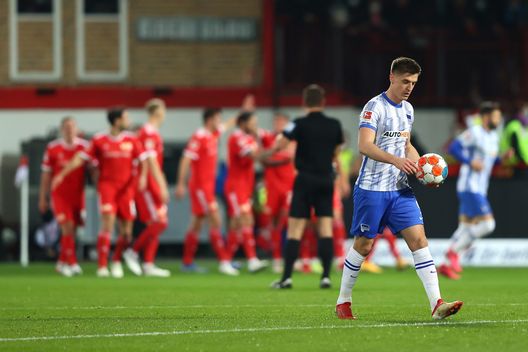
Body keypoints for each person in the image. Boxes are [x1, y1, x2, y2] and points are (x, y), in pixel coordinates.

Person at [335, 57, 463, 320]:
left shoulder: (408, 110)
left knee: (419, 240)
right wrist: (397, 161)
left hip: (400, 189)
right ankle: (343, 301)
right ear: (391, 77)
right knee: (364, 244)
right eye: (405, 81)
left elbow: (406, 147)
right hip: (371, 189)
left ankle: (437, 304)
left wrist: (420, 167)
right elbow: (365, 146)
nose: (409, 87)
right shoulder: (374, 108)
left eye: (414, 83)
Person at [52, 108, 167, 278]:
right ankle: (102, 265)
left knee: (127, 231)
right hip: (108, 188)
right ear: (117, 120)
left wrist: (142, 178)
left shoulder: (132, 139)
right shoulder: (99, 140)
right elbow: (80, 158)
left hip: (126, 190)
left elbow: (144, 160)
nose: (128, 120)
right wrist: (62, 174)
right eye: (125, 117)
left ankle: (117, 261)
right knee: (108, 223)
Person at [271, 84, 344, 289]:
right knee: (325, 229)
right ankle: (326, 277)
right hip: (325, 180)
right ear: (323, 102)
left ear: (304, 102)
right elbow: (336, 152)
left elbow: (280, 144)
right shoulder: (334, 124)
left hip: (304, 180)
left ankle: (286, 278)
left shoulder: (297, 124)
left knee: (295, 230)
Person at [439, 102, 503, 280]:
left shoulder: (493, 137)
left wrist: (501, 159)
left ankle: (445, 263)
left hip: (481, 188)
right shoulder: (475, 132)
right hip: (470, 186)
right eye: (496, 116)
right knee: (488, 225)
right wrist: (469, 162)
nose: (498, 120)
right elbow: (454, 148)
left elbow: (490, 161)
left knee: (465, 227)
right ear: (485, 117)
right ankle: (454, 252)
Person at [175, 108, 239, 276]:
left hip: (207, 187)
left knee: (196, 223)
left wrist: (243, 112)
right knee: (216, 220)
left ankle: (187, 262)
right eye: (217, 118)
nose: (220, 122)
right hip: (200, 188)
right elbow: (186, 159)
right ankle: (224, 262)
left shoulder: (213, 134)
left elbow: (227, 125)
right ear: (209, 120)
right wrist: (181, 183)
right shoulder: (199, 136)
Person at [123, 99, 170, 277]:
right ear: (157, 111)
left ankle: (149, 264)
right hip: (149, 185)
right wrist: (162, 185)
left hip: (153, 182)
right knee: (160, 222)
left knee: (155, 224)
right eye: (163, 109)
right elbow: (151, 162)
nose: (165, 113)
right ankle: (133, 252)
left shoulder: (153, 132)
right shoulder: (148, 132)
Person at [39, 117, 89, 277]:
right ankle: (72, 263)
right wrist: (42, 197)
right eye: (66, 127)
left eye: (72, 126)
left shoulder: (84, 147)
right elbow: (46, 175)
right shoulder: (53, 148)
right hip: (59, 194)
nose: (69, 130)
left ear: (76, 129)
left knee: (72, 230)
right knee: (66, 225)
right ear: (61, 129)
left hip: (77, 194)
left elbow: (93, 168)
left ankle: (61, 262)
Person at [224, 112, 273, 272]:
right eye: (252, 122)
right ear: (243, 123)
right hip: (235, 187)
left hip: (245, 187)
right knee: (244, 220)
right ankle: (251, 260)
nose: (255, 125)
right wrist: (275, 150)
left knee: (239, 224)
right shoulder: (237, 138)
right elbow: (254, 156)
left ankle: (226, 261)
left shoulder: (250, 138)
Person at [259, 112, 296, 273]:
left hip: (288, 185)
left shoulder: (293, 139)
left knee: (288, 221)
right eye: (276, 121)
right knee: (272, 223)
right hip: (272, 187)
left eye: (282, 121)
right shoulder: (267, 138)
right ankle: (276, 258)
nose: (278, 124)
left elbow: (290, 157)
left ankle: (295, 258)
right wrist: (275, 155)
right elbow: (261, 158)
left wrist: (272, 156)